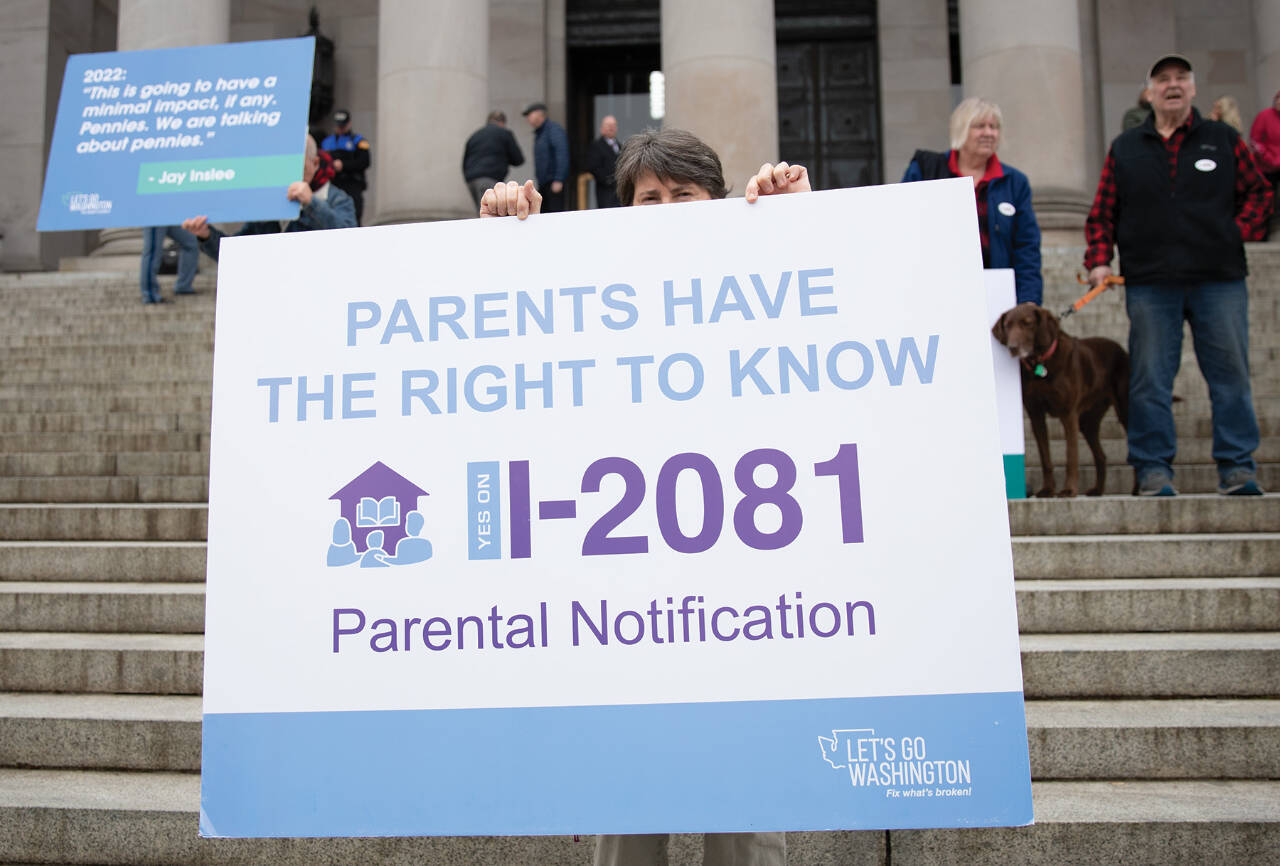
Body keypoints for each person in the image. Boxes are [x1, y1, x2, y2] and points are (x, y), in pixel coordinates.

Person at [479, 127, 807, 866]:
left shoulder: (760, 286)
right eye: (648, 198)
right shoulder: (587, 289)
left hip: (741, 600)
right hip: (623, 603)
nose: (664, 210)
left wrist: (803, 227)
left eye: (683, 195)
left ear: (716, 203)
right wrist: (507, 236)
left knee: (748, 821)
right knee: (627, 813)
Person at [1084, 54, 1274, 497]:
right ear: (1149, 91)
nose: (1172, 85)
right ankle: (1152, 469)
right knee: (1149, 379)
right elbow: (1102, 213)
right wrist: (1098, 259)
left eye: (1180, 78)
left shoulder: (1223, 139)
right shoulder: (1125, 148)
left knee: (1230, 375)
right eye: (1162, 79)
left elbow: (1260, 195)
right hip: (1151, 283)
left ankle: (1238, 467)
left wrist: (1233, 233)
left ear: (1192, 88)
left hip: (1219, 279)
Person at [900, 97, 1043, 305]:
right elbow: (904, 227)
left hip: (995, 296)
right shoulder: (926, 171)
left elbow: (1026, 248)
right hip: (938, 293)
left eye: (994, 127)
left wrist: (1029, 300)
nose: (989, 133)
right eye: (980, 126)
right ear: (961, 129)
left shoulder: (1014, 182)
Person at [181, 135, 357, 261]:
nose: (291, 172)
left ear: (315, 163)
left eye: (298, 165)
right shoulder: (271, 203)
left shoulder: (336, 199)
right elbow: (238, 256)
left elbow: (350, 243)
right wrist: (207, 235)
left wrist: (311, 203)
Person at [461, 110, 525, 209]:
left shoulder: (475, 135)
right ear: (502, 123)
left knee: (483, 210)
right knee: (490, 212)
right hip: (489, 178)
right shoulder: (504, 133)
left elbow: (465, 160)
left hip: (471, 179)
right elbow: (518, 159)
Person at [321, 109, 371, 225]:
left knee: (354, 217)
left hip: (352, 184)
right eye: (338, 126)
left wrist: (344, 165)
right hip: (333, 184)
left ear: (349, 124)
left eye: (343, 126)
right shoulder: (326, 142)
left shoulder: (358, 141)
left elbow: (365, 162)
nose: (340, 129)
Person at [522, 102, 570, 212]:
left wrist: (559, 179)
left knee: (555, 215)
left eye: (530, 114)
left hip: (553, 183)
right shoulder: (540, 133)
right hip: (544, 184)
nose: (528, 118)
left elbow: (561, 153)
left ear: (539, 114)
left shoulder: (553, 130)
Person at [139, 225, 197, 304]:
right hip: (154, 217)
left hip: (169, 216)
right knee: (153, 251)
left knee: (191, 242)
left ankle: (183, 286)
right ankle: (150, 295)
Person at [586, 115, 622, 208]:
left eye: (613, 125)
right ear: (602, 128)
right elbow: (593, 167)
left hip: (620, 192)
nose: (611, 127)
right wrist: (609, 180)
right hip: (606, 192)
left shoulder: (620, 146)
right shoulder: (596, 146)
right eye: (608, 125)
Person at [1250, 88, 1280, 187]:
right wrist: (1269, 159)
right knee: (1269, 196)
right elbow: (1255, 141)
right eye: (1278, 98)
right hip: (1267, 167)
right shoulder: (1264, 116)